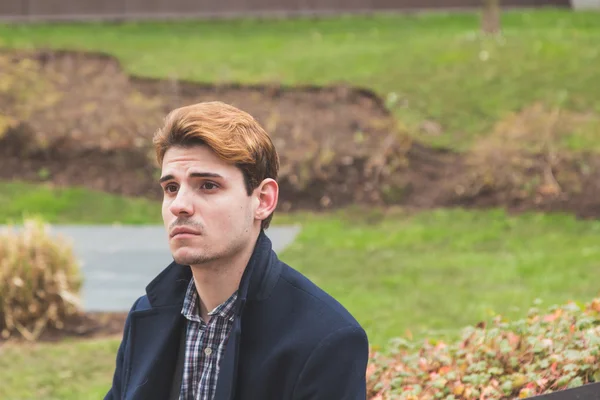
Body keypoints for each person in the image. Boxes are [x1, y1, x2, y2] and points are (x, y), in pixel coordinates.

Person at [104, 101, 369, 400]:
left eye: (207, 186)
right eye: (171, 188)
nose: (179, 205)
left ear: (263, 200)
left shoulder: (325, 339)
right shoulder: (147, 316)